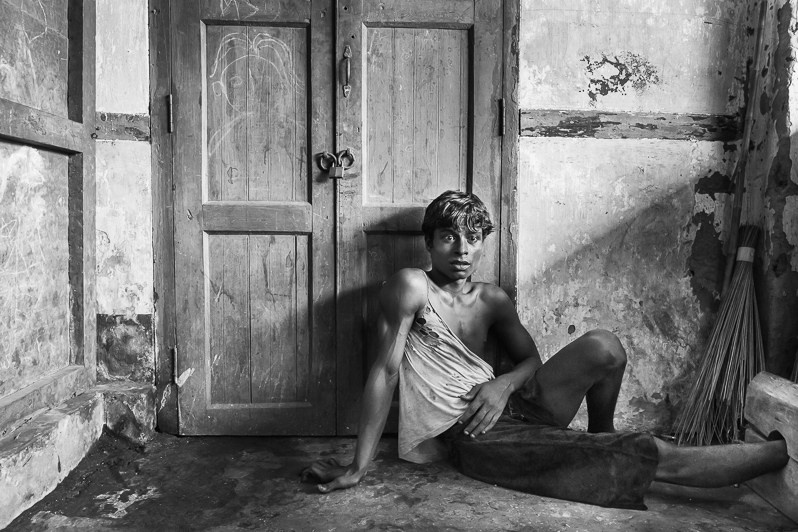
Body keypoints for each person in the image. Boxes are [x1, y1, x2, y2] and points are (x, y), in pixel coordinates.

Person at [302, 190, 788, 509]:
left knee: (604, 345)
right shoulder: (411, 286)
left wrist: (502, 384)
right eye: (448, 237)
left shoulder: (492, 299)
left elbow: (531, 361)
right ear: (428, 243)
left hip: (516, 402)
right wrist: (359, 466)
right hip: (476, 430)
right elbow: (384, 372)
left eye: (473, 238)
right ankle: (776, 453)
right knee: (648, 454)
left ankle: (601, 434)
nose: (462, 249)